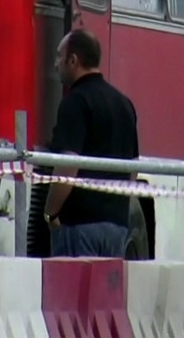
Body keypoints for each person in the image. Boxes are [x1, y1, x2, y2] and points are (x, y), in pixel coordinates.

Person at [43, 29, 140, 258]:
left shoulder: (75, 102)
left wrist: (50, 213)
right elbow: (133, 168)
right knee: (106, 284)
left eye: (59, 56)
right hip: (116, 227)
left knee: (72, 283)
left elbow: (67, 166)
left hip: (79, 225)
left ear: (73, 60)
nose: (56, 64)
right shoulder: (124, 104)